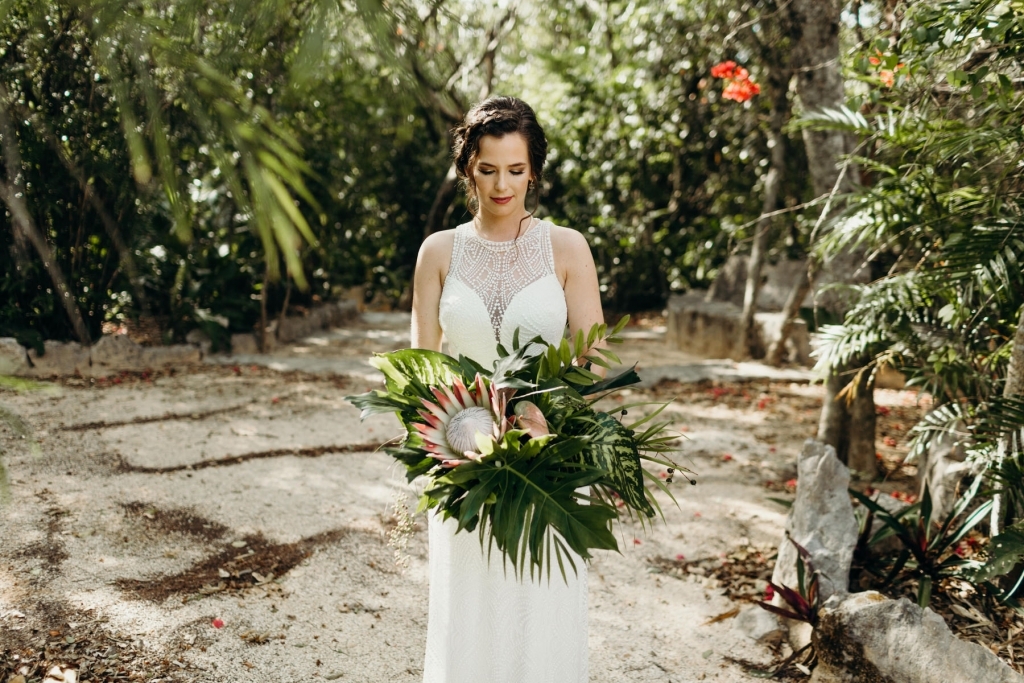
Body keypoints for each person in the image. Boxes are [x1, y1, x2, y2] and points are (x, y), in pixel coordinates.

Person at [410, 96, 604, 683]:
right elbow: (422, 367)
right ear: (467, 166)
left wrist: (545, 417)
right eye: (488, 168)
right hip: (462, 462)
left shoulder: (566, 247)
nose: (502, 185)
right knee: (468, 615)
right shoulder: (438, 251)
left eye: (515, 170)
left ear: (534, 171)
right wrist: (456, 433)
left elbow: (592, 363)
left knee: (541, 608)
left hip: (548, 464)